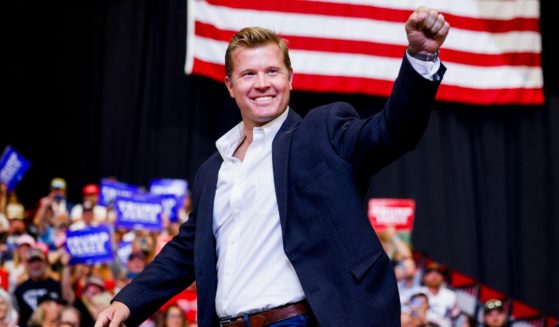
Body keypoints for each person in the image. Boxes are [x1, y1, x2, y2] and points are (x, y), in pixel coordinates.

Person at [96, 6, 450, 327]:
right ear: (230, 86)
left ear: (290, 79)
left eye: (272, 71)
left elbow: (392, 133)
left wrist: (421, 56)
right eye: (249, 74)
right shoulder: (213, 170)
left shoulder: (321, 132)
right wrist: (128, 302)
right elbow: (184, 252)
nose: (262, 83)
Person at [419, 262, 460, 327]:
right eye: (430, 272)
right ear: (423, 277)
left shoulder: (451, 295)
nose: (434, 275)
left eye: (438, 272)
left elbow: (455, 317)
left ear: (443, 277)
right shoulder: (416, 293)